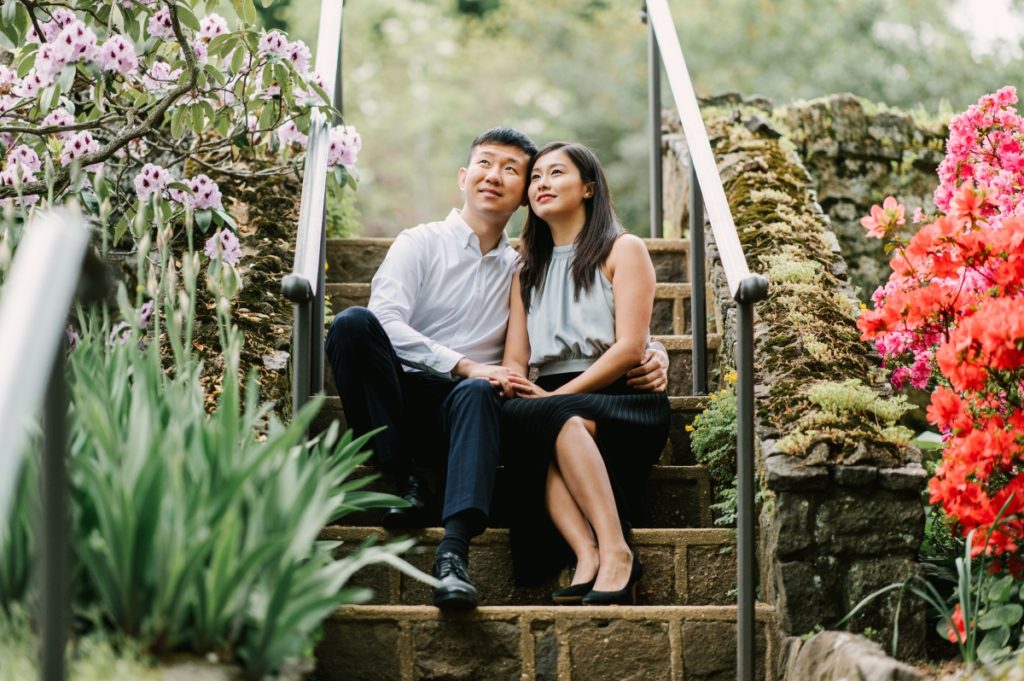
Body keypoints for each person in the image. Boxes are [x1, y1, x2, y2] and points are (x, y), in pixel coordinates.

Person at [324, 128, 668, 612]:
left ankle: (482, 551)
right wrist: (476, 369)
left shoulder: (534, 261)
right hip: (420, 394)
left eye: (515, 170)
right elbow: (401, 329)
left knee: (509, 405)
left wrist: (656, 354)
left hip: (507, 402)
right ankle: (406, 478)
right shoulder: (441, 248)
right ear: (464, 176)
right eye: (487, 164)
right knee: (354, 325)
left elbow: (624, 340)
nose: (498, 176)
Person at [501, 141, 670, 606]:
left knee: (556, 419)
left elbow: (630, 348)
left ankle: (619, 551)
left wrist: (556, 399)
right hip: (551, 392)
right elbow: (518, 355)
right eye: (535, 177)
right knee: (526, 420)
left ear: (589, 187)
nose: (542, 184)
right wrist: (517, 382)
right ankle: (586, 551)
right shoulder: (525, 268)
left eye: (556, 173)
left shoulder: (623, 249)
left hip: (620, 395)